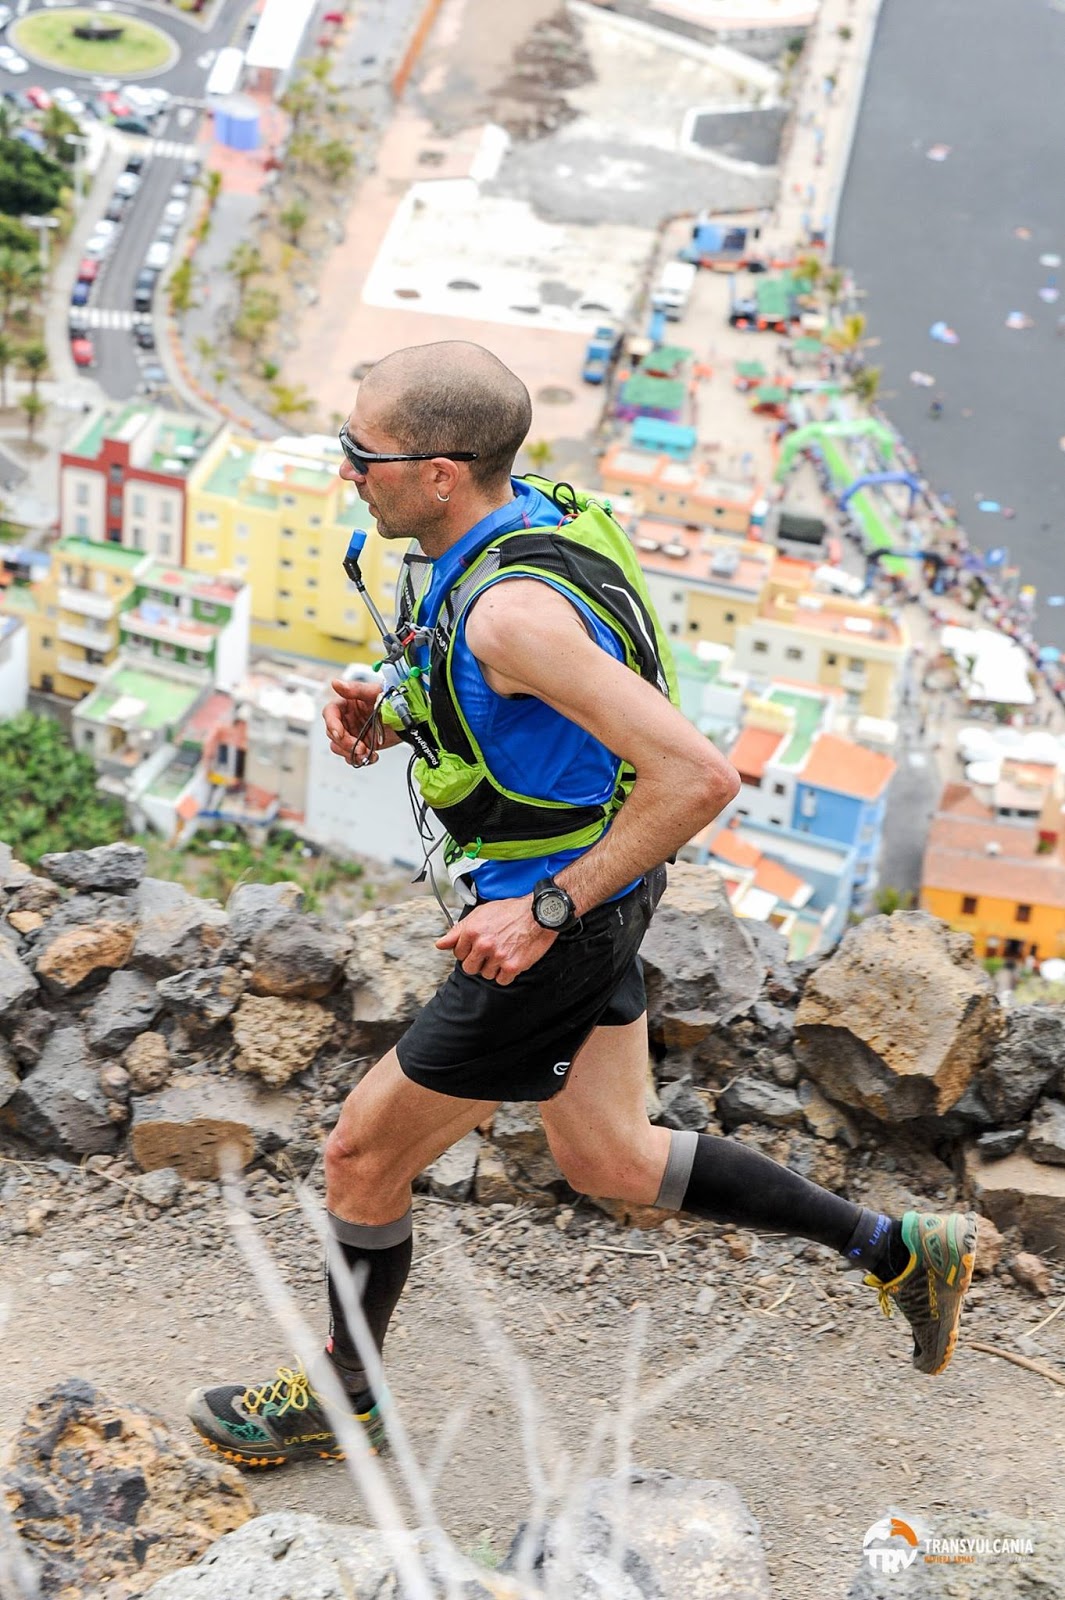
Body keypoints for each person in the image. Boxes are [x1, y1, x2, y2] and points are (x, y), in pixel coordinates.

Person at [188, 341, 978, 1469]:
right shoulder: (515, 531)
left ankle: (340, 1401)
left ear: (443, 471)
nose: (348, 471)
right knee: (612, 1157)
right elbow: (516, 708)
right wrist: (400, 704)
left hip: (550, 925)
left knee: (362, 1154)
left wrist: (542, 913)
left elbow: (700, 776)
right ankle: (899, 1247)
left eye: (364, 453)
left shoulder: (514, 617)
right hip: (600, 895)